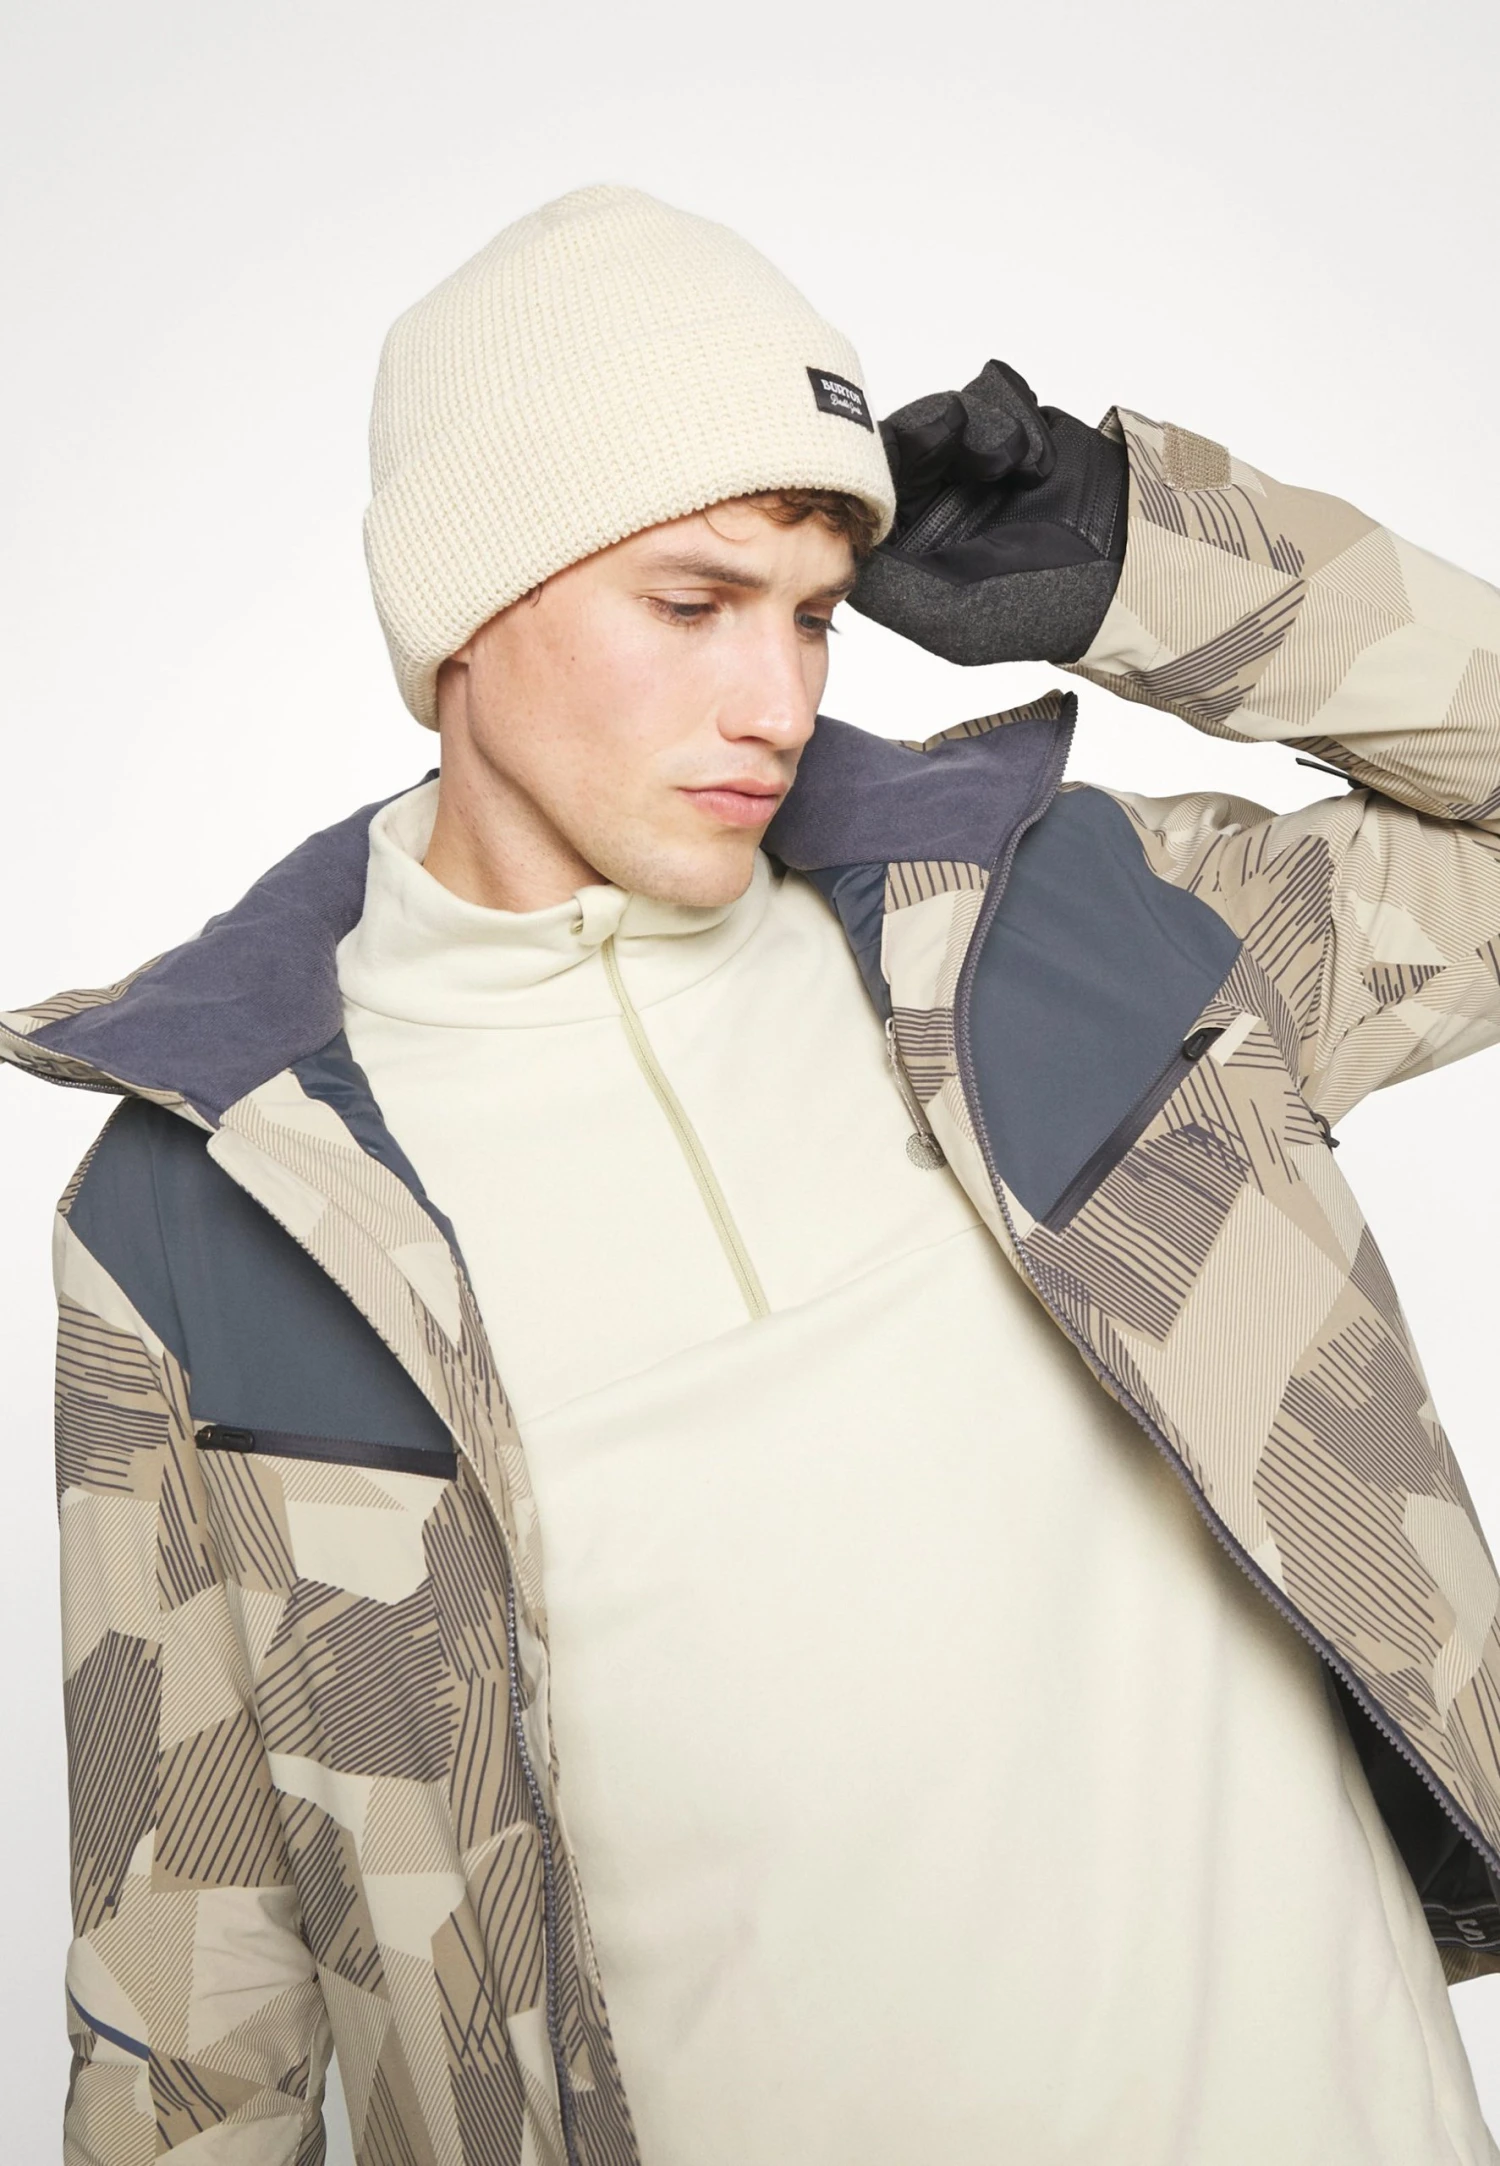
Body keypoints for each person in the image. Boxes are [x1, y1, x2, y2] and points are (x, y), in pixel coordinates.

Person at [10, 181, 1500, 2166]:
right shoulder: (207, 1212)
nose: (779, 700)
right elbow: (195, 2020)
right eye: (694, 604)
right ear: (466, 610)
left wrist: (1145, 558)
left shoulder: (1069, 929)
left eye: (809, 614)